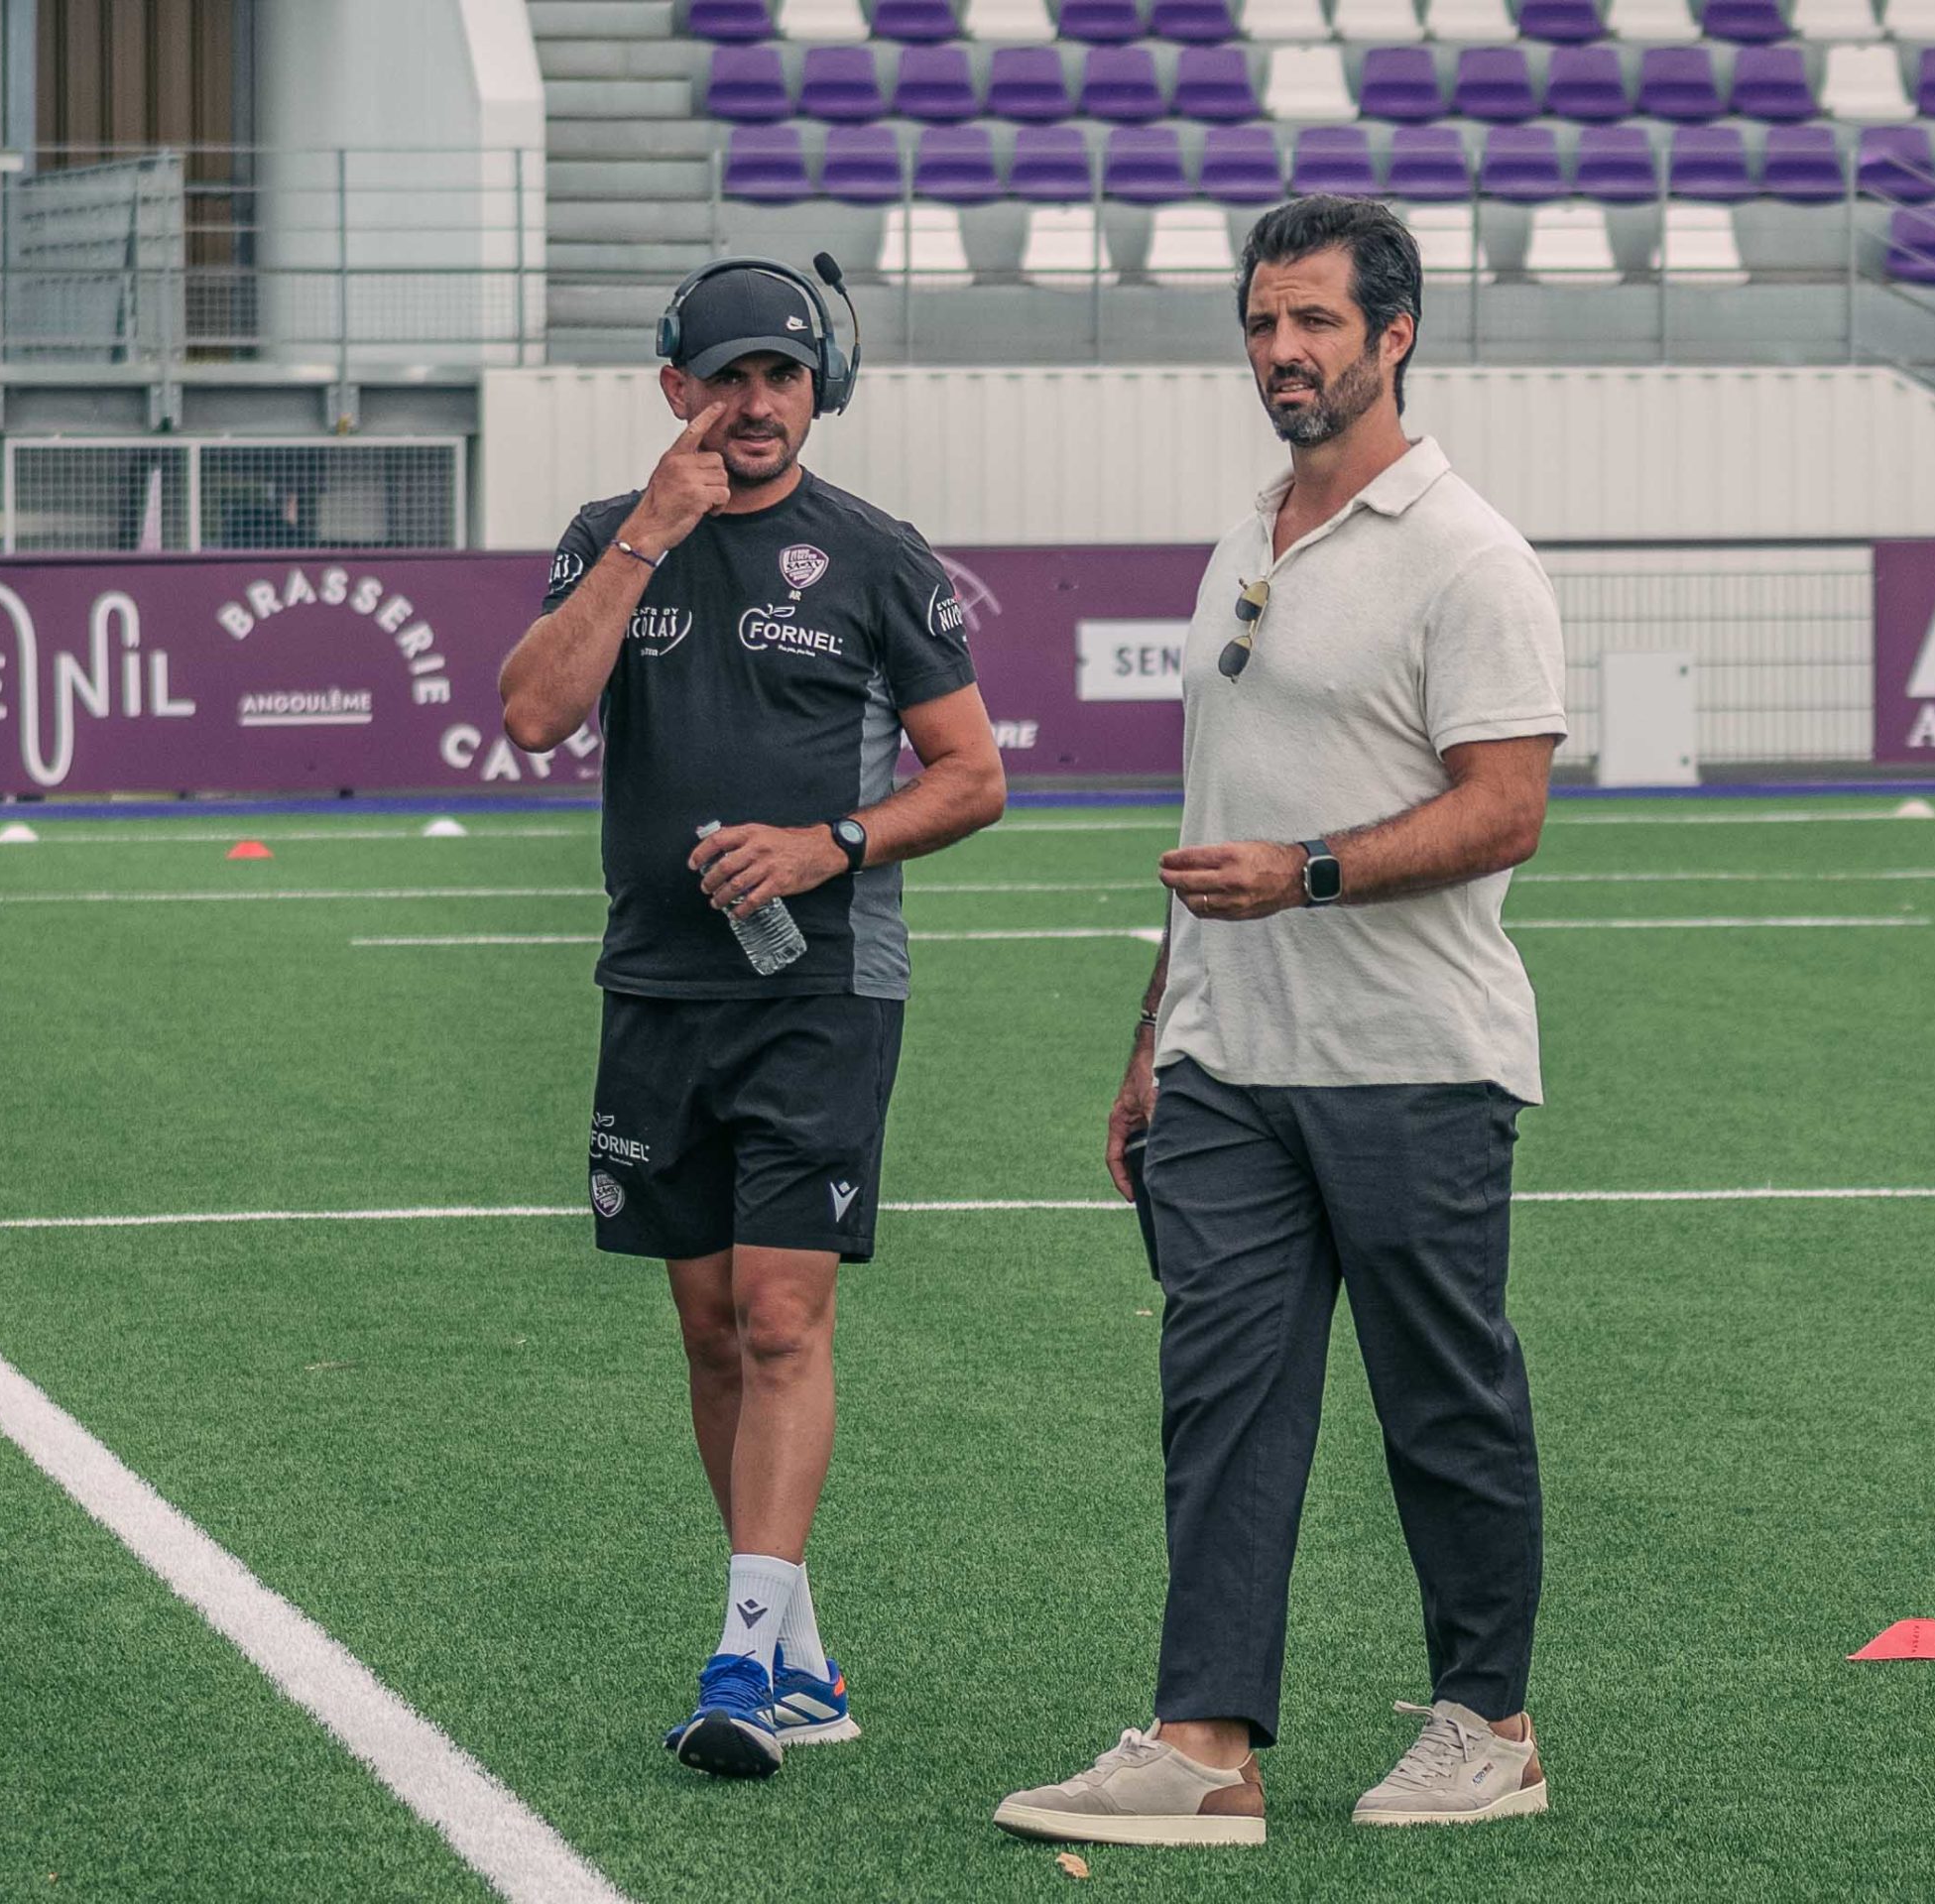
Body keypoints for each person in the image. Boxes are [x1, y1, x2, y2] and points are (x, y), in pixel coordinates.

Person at [996, 195, 1567, 1847]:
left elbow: (1508, 808)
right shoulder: (1247, 533)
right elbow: (1215, 812)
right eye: (1261, 323)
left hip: (1414, 1063)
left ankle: (1490, 1723)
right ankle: (1205, 1747)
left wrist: (1308, 875)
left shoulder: (1471, 555)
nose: (1281, 353)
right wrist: (1149, 1037)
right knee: (1222, 1404)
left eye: (1314, 323)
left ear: (1395, 335)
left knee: (1443, 1404)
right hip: (1227, 1068)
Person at [500, 258, 1006, 1782]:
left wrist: (829, 844)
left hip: (820, 989)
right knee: (710, 1325)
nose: (754, 405)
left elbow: (972, 776)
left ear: (818, 393)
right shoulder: (610, 539)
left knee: (782, 1314)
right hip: (657, 986)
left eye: (781, 377)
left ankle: (742, 1656)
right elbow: (530, 714)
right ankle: (797, 1649)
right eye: (726, 377)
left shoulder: (875, 558)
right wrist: (651, 534)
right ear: (675, 391)